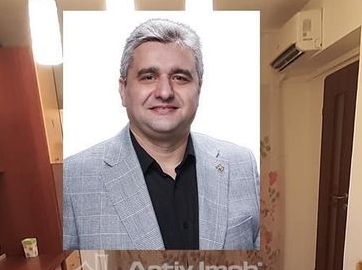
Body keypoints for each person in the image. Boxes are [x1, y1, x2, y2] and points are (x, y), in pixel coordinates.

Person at [63, 18, 260, 250]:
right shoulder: (74, 177)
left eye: (180, 77)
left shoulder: (241, 164)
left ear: (199, 89)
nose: (165, 92)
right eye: (148, 77)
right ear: (123, 90)